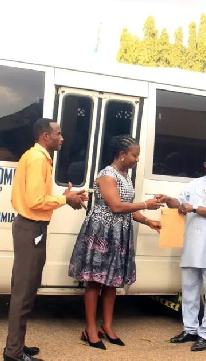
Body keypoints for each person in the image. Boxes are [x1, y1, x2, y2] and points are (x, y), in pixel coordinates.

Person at [3, 118, 88, 361]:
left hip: (30, 228)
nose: (62, 138)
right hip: (31, 229)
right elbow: (34, 201)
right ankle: (13, 353)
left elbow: (37, 196)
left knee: (26, 289)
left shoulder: (35, 156)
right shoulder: (39, 158)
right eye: (58, 134)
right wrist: (65, 200)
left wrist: (63, 197)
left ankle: (16, 345)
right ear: (45, 137)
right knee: (24, 292)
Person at [68, 135, 162, 350]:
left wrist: (148, 221)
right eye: (134, 155)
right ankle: (90, 330)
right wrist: (146, 204)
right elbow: (116, 207)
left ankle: (107, 327)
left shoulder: (125, 175)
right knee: (95, 281)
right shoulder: (106, 175)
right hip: (102, 232)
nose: (137, 159)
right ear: (122, 155)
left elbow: (128, 209)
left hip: (119, 232)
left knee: (112, 282)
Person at [156, 149, 206, 352]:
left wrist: (193, 208)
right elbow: (180, 204)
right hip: (192, 246)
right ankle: (190, 329)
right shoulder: (195, 184)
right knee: (190, 292)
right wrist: (168, 199)